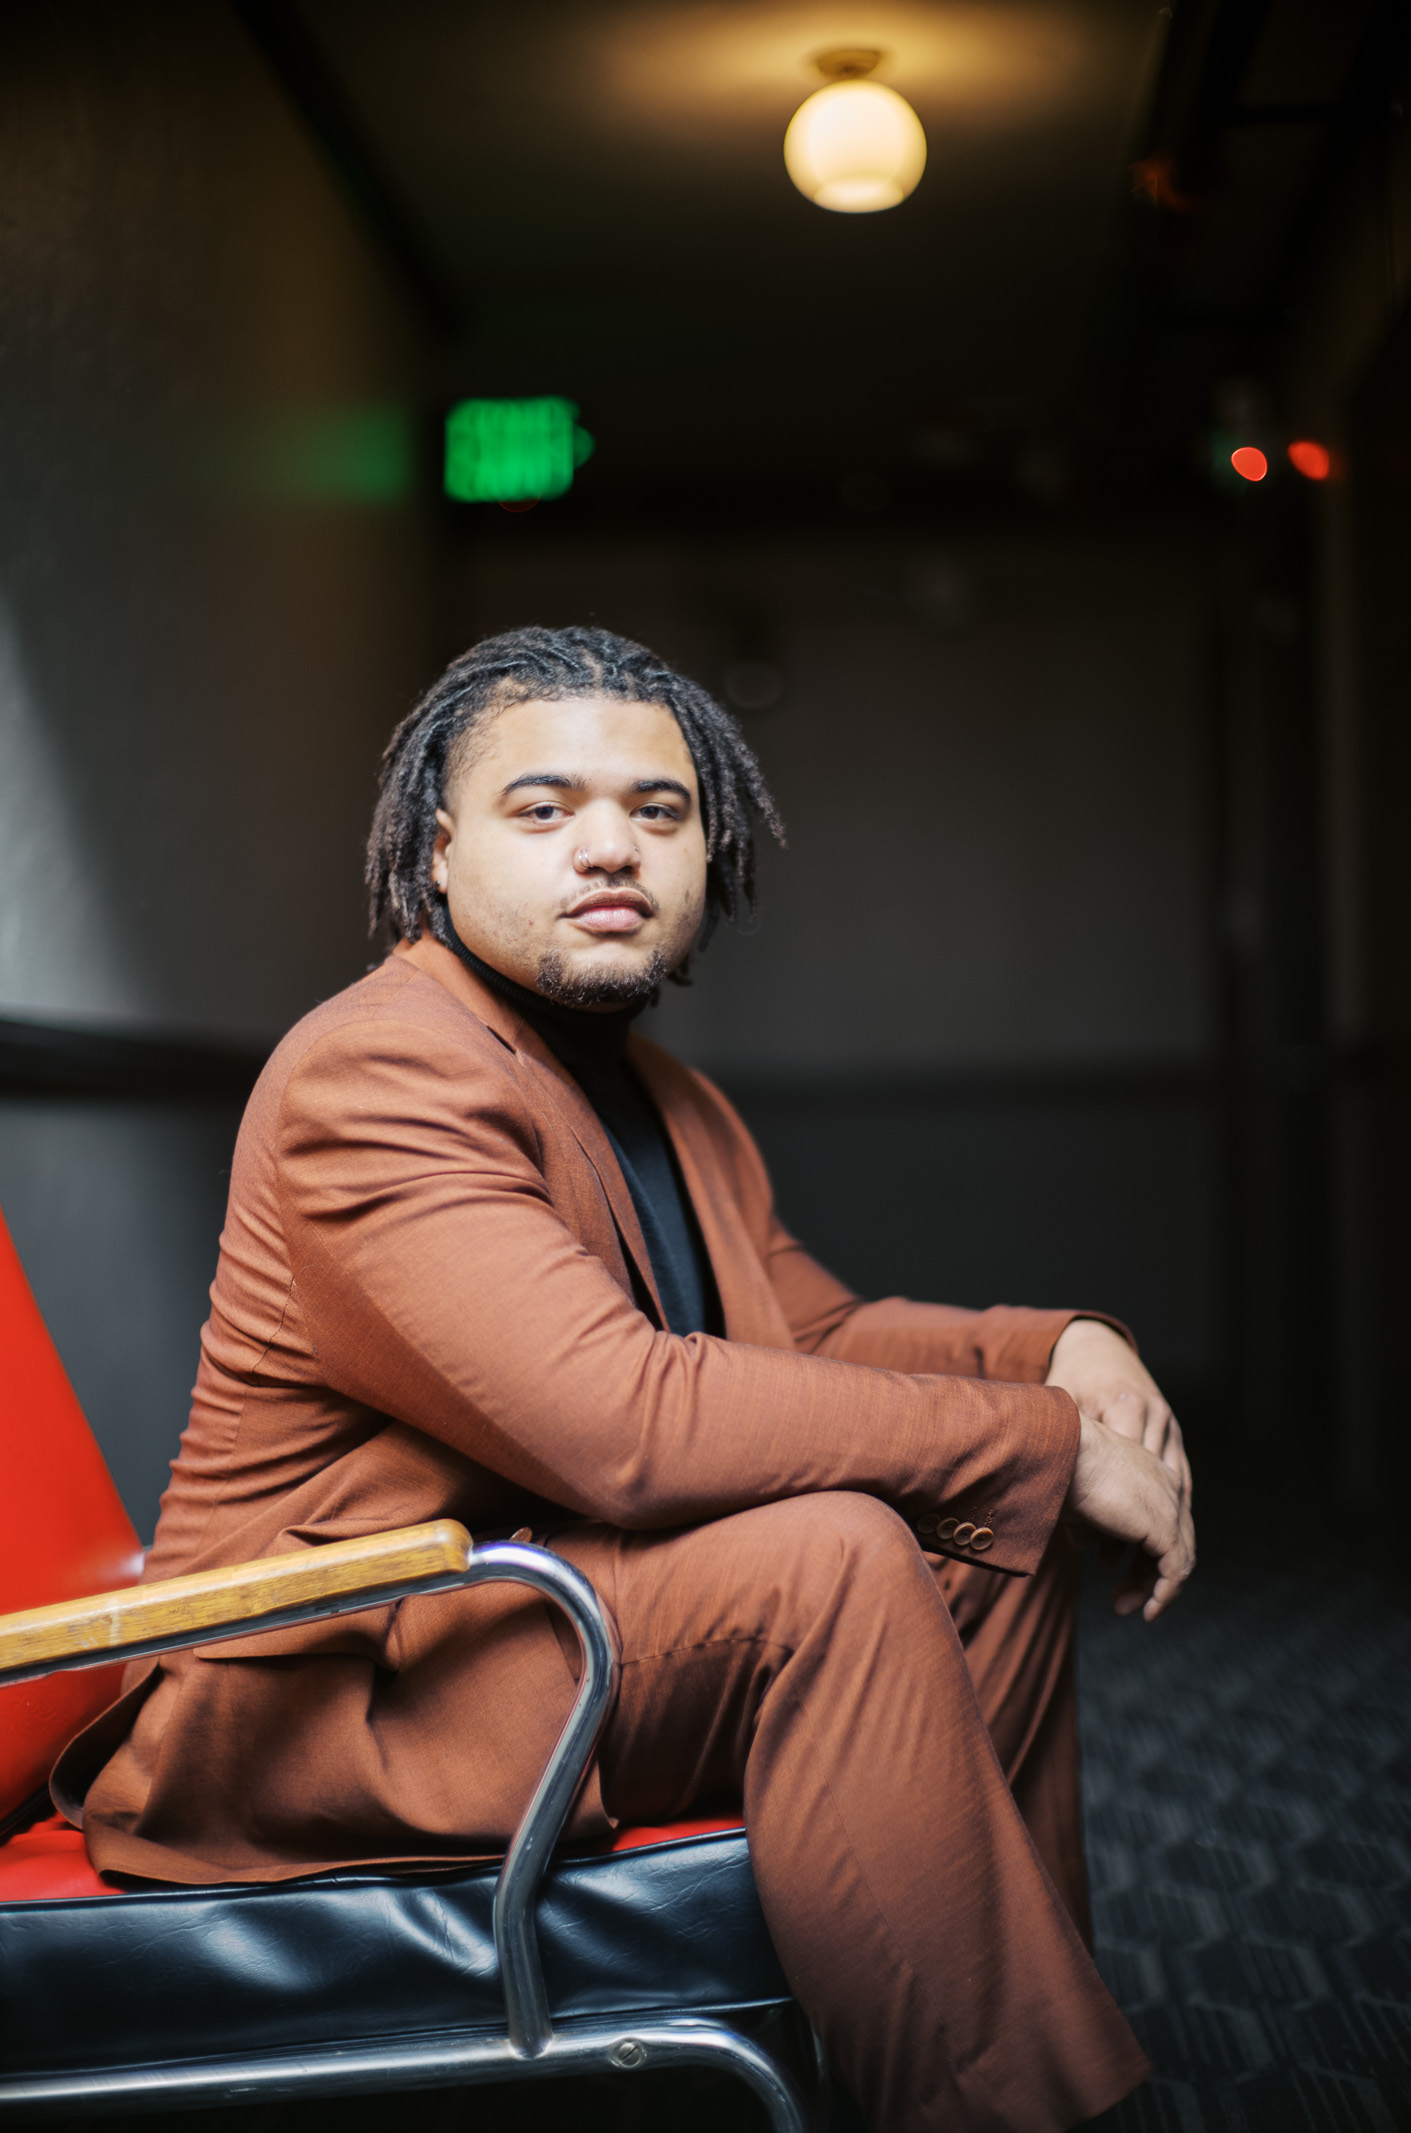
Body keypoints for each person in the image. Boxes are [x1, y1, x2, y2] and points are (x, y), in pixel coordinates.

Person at [56, 625, 1193, 2132]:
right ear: (437, 849)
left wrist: (1055, 1348)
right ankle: (1016, 2105)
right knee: (838, 1553)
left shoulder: (664, 1093)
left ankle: (951, 2030)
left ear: (708, 845)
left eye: (658, 811)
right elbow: (625, 1424)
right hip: (323, 1686)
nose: (610, 846)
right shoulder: (377, 1073)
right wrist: (1034, 1439)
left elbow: (813, 1338)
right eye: (545, 808)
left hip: (526, 1619)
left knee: (980, 1542)